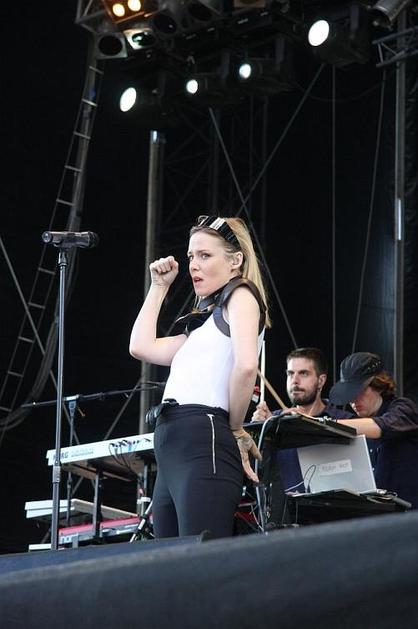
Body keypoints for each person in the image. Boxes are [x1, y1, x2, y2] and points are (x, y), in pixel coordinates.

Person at [129, 215, 269, 539]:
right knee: (171, 558)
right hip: (174, 440)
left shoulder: (242, 294)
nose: (194, 264)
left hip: (203, 434)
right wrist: (159, 287)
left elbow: (247, 366)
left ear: (235, 260)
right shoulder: (203, 324)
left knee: (200, 553)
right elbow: (140, 346)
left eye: (205, 255)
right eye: (191, 256)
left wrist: (236, 427)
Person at [252, 347, 351, 492]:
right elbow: (257, 476)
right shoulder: (274, 420)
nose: (295, 381)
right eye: (290, 374)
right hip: (284, 506)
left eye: (304, 373)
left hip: (332, 504)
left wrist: (305, 424)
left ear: (321, 380)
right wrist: (260, 431)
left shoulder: (344, 421)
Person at [329, 351, 418, 509]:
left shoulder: (403, 408)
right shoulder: (355, 422)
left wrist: (329, 425)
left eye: (360, 391)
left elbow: (382, 426)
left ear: (379, 385)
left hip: (409, 514)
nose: (353, 400)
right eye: (349, 394)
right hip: (375, 514)